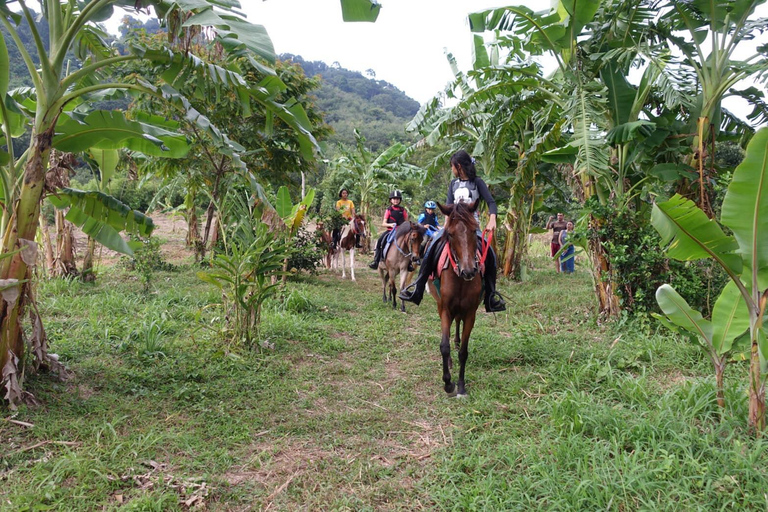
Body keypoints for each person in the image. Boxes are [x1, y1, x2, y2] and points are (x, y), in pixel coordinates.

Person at [399, 150, 506, 312]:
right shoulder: (453, 184)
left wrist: (492, 219)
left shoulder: (478, 182)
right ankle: (418, 288)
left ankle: (491, 296)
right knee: (430, 248)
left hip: (471, 228)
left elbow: (491, 202)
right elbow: (448, 207)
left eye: (452, 166)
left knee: (490, 254)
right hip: (453, 227)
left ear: (459, 166)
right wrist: (444, 227)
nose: (452, 169)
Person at [368, 190, 408, 269]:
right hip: (390, 231)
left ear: (400, 200)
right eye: (394, 199)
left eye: (397, 199)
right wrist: (390, 224)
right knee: (380, 241)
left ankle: (409, 262)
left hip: (401, 231)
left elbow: (406, 222)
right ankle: (376, 261)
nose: (396, 200)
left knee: (410, 242)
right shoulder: (389, 210)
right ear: (391, 200)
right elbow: (383, 223)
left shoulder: (403, 210)